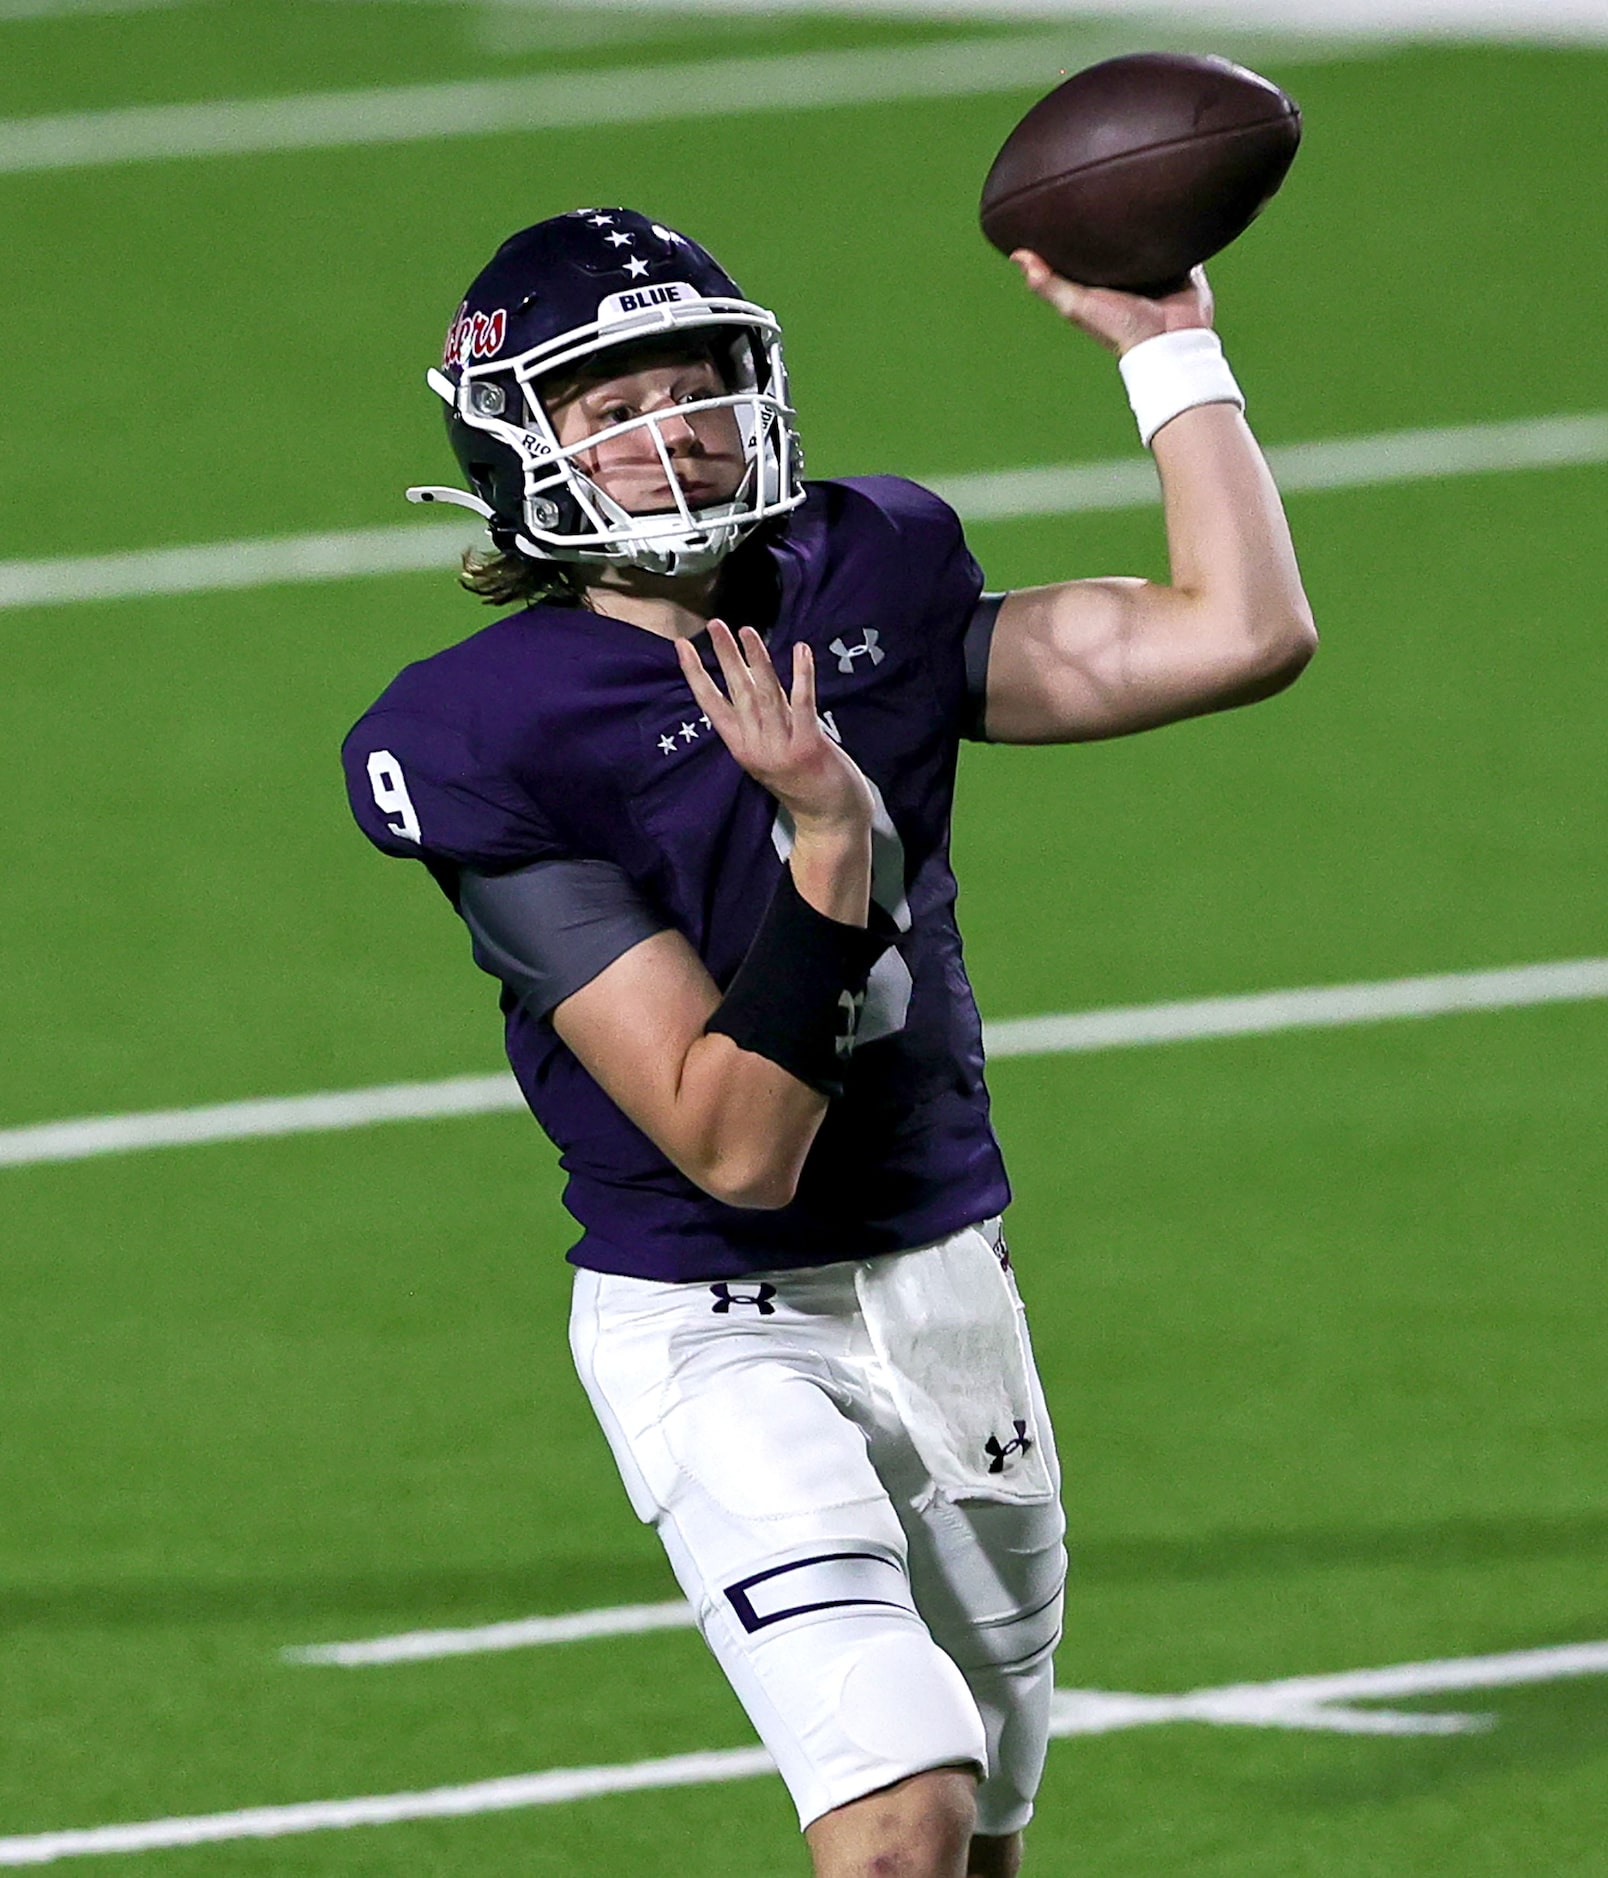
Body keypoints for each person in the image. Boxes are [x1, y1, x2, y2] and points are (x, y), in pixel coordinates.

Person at [342, 207, 1315, 1878]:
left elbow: (1240, 633)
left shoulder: (874, 572)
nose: (675, 426)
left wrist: (1169, 342)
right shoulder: (479, 732)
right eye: (609, 400)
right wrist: (832, 846)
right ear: (519, 444)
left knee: (981, 1834)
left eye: (700, 378)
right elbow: (732, 1139)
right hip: (716, 1314)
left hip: (947, 1286)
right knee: (897, 1819)